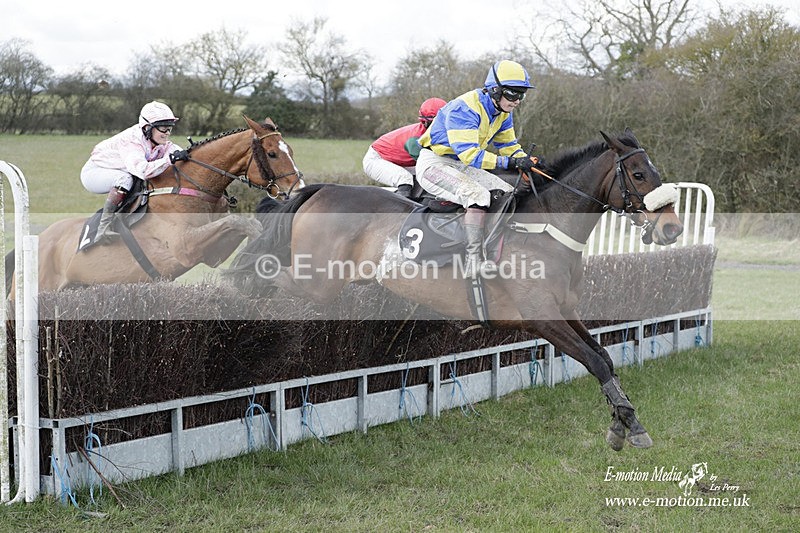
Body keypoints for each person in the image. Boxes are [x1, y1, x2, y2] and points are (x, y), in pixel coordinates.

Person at [416, 60, 537, 277]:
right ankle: (473, 261)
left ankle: (494, 248)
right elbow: (470, 155)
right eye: (512, 94)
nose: (517, 101)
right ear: (494, 90)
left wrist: (526, 161)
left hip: (460, 165)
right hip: (434, 164)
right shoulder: (465, 108)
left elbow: (508, 146)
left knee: (510, 193)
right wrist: (509, 163)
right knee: (478, 195)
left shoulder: (503, 112)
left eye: (521, 95)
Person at [80, 100, 188, 243]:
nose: (167, 133)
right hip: (95, 172)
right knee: (125, 180)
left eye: (170, 128)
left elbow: (174, 151)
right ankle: (103, 228)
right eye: (163, 128)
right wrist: (170, 159)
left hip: (119, 170)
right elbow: (143, 171)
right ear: (148, 127)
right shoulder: (131, 140)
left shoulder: (156, 140)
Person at [362, 97, 447, 197]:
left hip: (402, 161)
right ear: (424, 122)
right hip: (376, 159)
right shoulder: (417, 138)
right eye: (435, 123)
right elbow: (428, 164)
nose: (440, 126)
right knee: (405, 179)